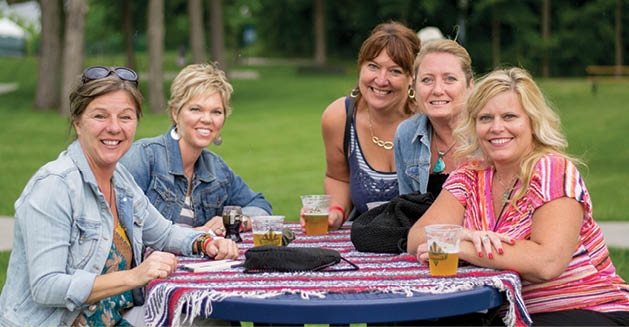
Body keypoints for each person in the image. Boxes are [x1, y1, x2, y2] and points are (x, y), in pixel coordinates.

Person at [0, 66, 239, 326]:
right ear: (78, 123)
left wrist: (205, 242)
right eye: (100, 116)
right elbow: (46, 287)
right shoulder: (54, 187)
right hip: (59, 322)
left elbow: (163, 233)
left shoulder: (120, 180)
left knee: (209, 317)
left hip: (115, 319)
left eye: (125, 117)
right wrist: (135, 276)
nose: (114, 128)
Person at [407, 67, 629, 325]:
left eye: (510, 116)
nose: (497, 128)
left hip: (590, 306)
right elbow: (417, 238)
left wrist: (462, 247)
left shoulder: (551, 169)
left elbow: (546, 263)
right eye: (485, 118)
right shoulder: (470, 174)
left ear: (532, 123)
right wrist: (461, 236)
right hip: (510, 311)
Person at [121, 63, 272, 236]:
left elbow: (260, 206)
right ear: (175, 113)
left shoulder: (216, 168)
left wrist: (238, 221)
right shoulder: (144, 157)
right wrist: (194, 237)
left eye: (216, 112)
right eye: (196, 109)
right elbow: (121, 225)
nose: (207, 119)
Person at [310, 21, 420, 231]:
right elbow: (337, 177)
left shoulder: (427, 121)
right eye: (373, 66)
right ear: (360, 67)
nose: (381, 80)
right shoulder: (339, 117)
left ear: (411, 78)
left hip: (421, 242)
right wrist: (335, 212)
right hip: (367, 239)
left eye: (395, 71)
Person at [395, 39, 474, 197]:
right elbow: (408, 209)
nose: (437, 90)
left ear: (470, 85)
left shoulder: (490, 132)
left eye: (449, 79)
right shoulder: (407, 134)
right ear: (414, 87)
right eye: (427, 80)